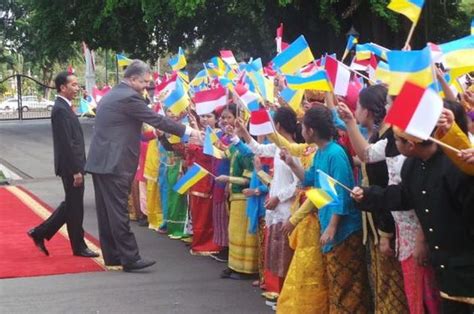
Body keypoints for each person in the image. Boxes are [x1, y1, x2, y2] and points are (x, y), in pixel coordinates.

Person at [85, 60, 200, 272]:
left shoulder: (113, 94)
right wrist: (189, 132)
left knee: (107, 211)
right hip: (115, 162)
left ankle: (114, 256)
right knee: (118, 211)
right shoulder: (129, 97)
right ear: (133, 79)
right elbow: (157, 119)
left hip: (102, 161)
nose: (147, 86)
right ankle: (130, 258)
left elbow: (124, 128)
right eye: (145, 82)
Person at [352, 128, 474, 313]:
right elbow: (403, 195)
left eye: (396, 140)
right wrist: (368, 195)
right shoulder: (411, 166)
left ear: (410, 144)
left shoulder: (455, 165)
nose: (394, 144)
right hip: (446, 267)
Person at [27, 71, 99, 258]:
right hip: (70, 166)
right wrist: (76, 170)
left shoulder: (64, 106)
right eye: (73, 85)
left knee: (72, 205)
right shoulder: (60, 109)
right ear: (62, 87)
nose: (77, 88)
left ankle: (40, 232)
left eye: (77, 85)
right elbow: (67, 142)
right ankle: (79, 246)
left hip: (72, 165)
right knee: (75, 207)